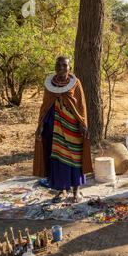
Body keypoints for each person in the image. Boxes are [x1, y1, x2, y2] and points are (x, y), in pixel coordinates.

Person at [33, 56, 93, 201]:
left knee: (75, 158)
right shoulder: (50, 85)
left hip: (72, 127)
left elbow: (81, 106)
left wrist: (82, 124)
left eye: (64, 65)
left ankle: (76, 191)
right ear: (55, 66)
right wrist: (40, 126)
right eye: (58, 65)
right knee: (57, 159)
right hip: (54, 127)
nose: (61, 67)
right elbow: (45, 106)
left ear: (69, 67)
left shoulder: (75, 83)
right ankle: (61, 190)